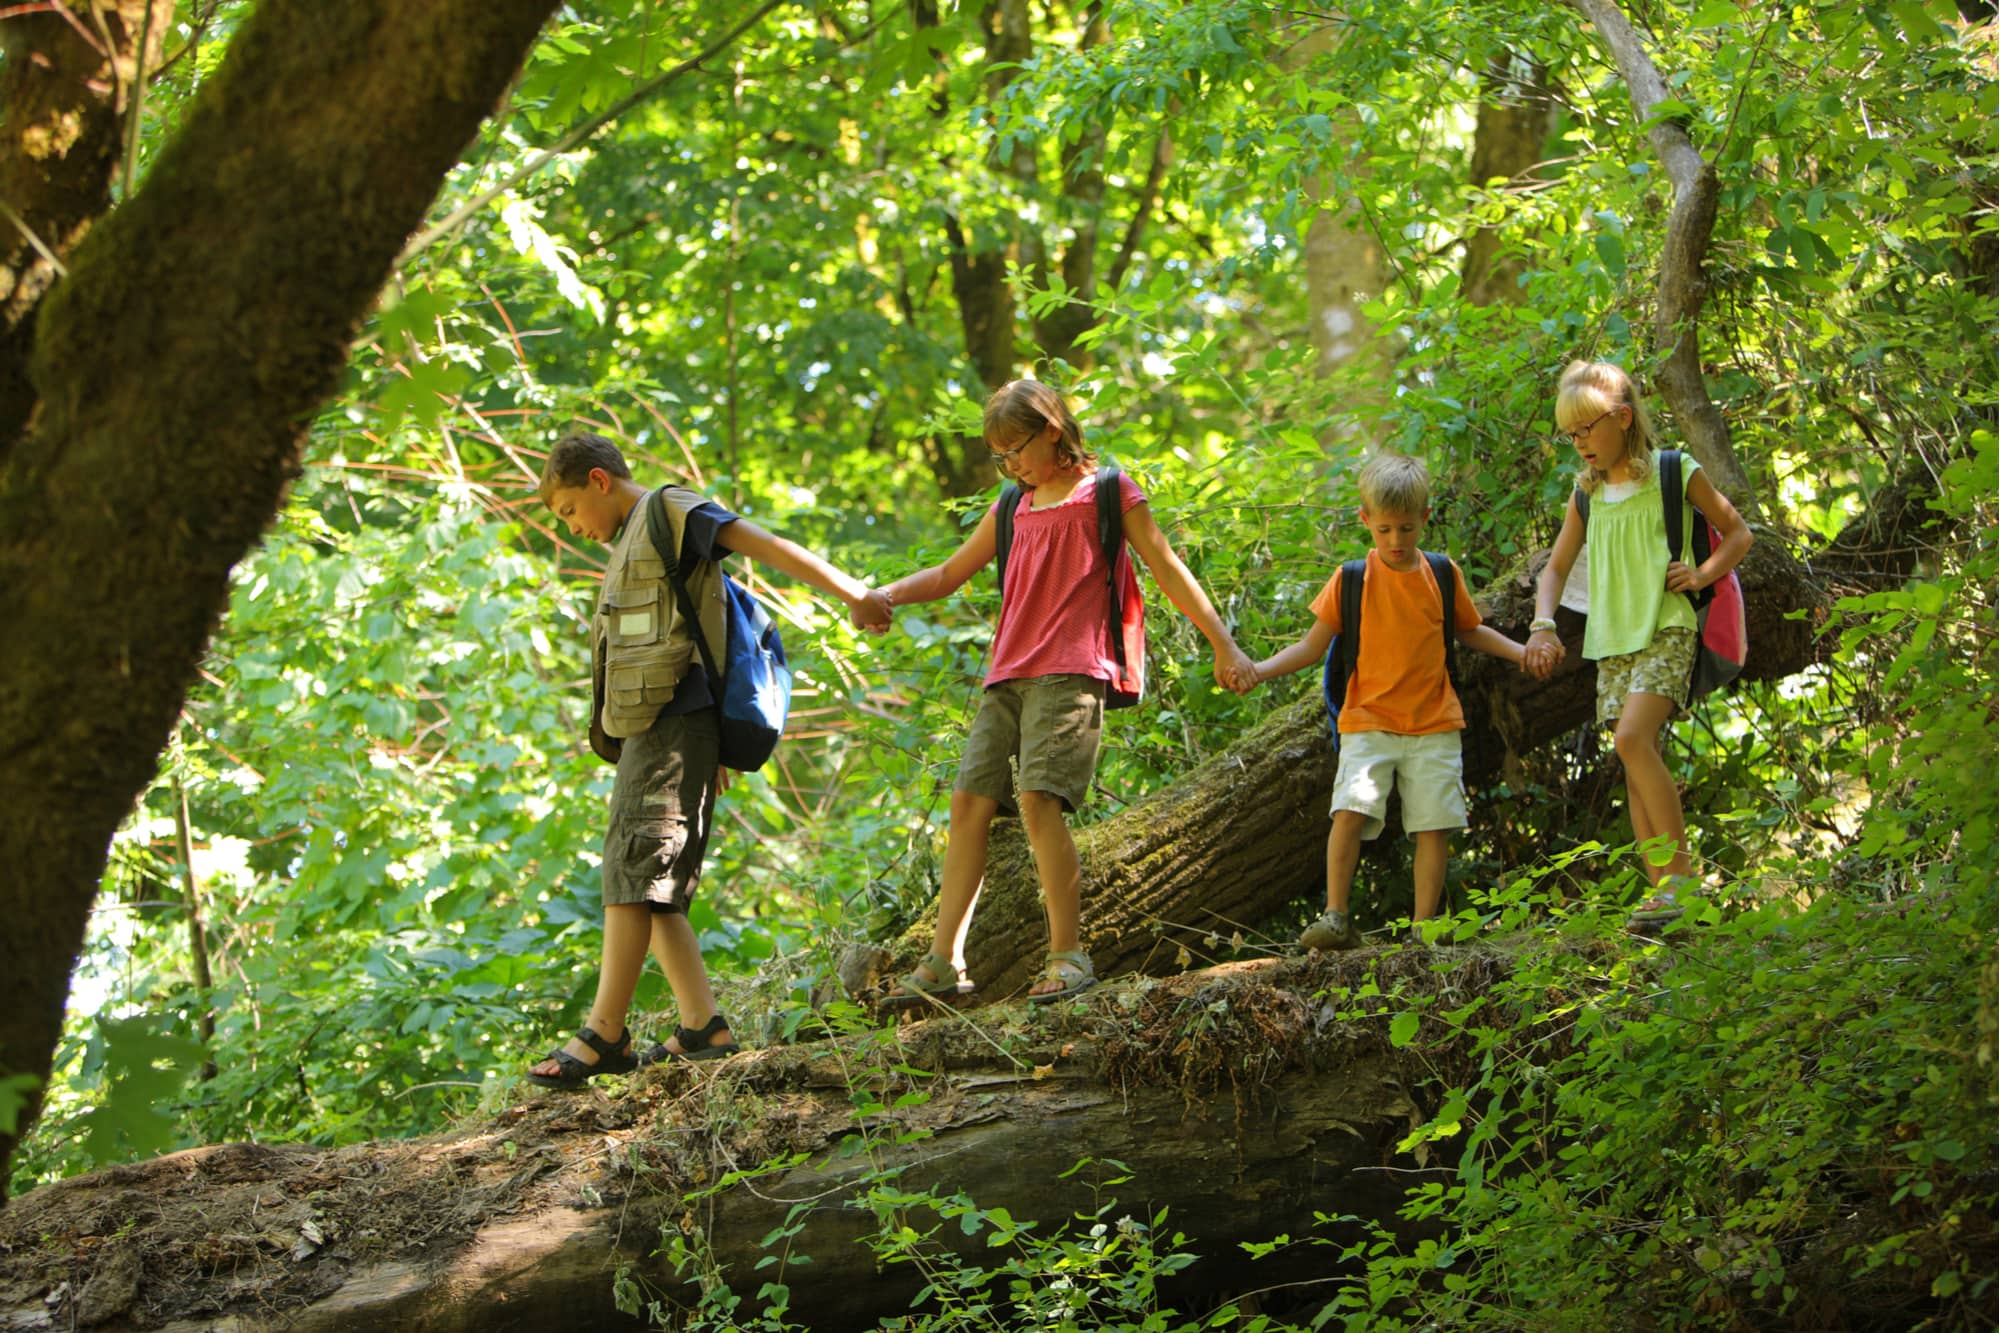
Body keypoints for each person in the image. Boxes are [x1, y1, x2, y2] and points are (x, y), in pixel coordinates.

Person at [524, 432, 891, 1087]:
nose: (574, 528)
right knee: (646, 875)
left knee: (636, 867)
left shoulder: (669, 511)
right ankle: (703, 1026)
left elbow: (765, 545)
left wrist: (853, 592)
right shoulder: (631, 539)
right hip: (653, 729)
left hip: (674, 724)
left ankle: (605, 1032)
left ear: (600, 481)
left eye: (570, 510)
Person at [871, 380, 1256, 1004]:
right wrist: (885, 595)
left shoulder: (1108, 492)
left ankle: (1069, 957)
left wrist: (1224, 644)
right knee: (968, 804)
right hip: (1008, 674)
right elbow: (947, 574)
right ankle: (944, 962)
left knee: (1037, 801)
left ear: (1053, 428)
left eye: (1016, 448)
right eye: (1000, 456)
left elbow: (1166, 567)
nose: (1011, 464)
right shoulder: (1011, 505)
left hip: (1072, 668)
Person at [1237, 452, 1528, 950]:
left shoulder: (1440, 574)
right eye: (1386, 529)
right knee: (1349, 811)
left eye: (1407, 529)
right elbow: (1311, 647)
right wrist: (1257, 671)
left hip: (1434, 722)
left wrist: (1524, 652)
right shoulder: (1352, 579)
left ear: (1425, 519)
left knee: (1434, 824)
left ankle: (1423, 929)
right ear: (1365, 520)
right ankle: (1336, 916)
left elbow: (1470, 629)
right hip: (1367, 720)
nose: (1396, 542)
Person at [1521, 361, 1752, 923]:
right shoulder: (1587, 496)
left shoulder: (1673, 472)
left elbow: (1739, 532)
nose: (1580, 444)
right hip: (1612, 640)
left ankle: (1681, 882)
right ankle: (1661, 895)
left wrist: (1700, 575)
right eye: (1570, 435)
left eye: (1587, 430)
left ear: (1622, 418)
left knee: (1631, 739)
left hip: (1668, 625)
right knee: (1631, 755)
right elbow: (1553, 570)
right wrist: (1543, 622)